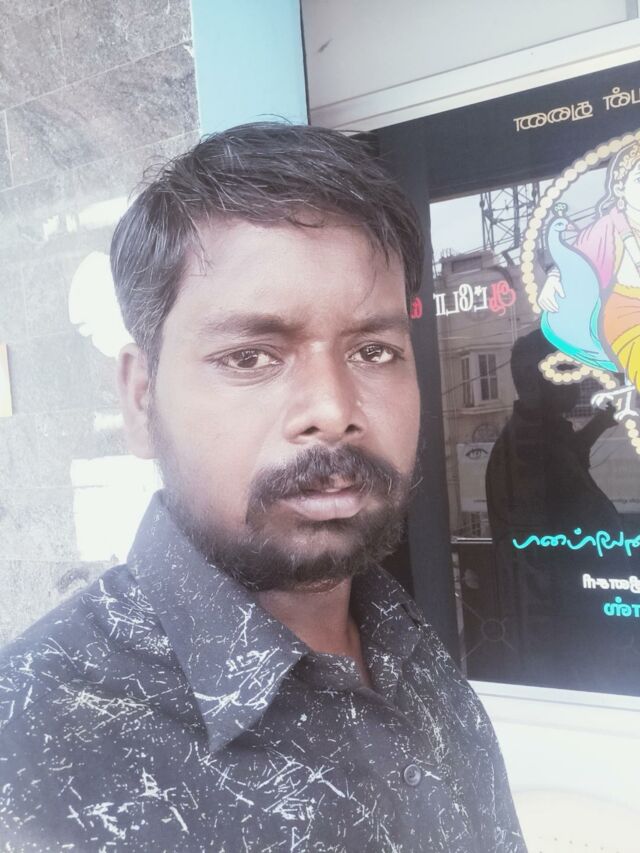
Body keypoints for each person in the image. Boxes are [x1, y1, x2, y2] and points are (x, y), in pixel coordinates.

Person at [0, 123, 526, 851]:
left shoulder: (407, 642)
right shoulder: (30, 748)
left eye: (374, 351)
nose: (334, 410)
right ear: (141, 399)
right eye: (250, 357)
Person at [485, 329, 633, 692]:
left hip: (564, 618)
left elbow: (568, 461)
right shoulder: (532, 449)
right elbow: (573, 511)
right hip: (567, 624)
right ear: (538, 382)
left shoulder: (536, 437)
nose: (579, 382)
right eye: (568, 371)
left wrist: (599, 425)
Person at [538, 139, 640, 391]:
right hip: (628, 318)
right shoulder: (607, 228)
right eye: (639, 179)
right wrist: (553, 279)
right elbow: (575, 261)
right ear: (620, 188)